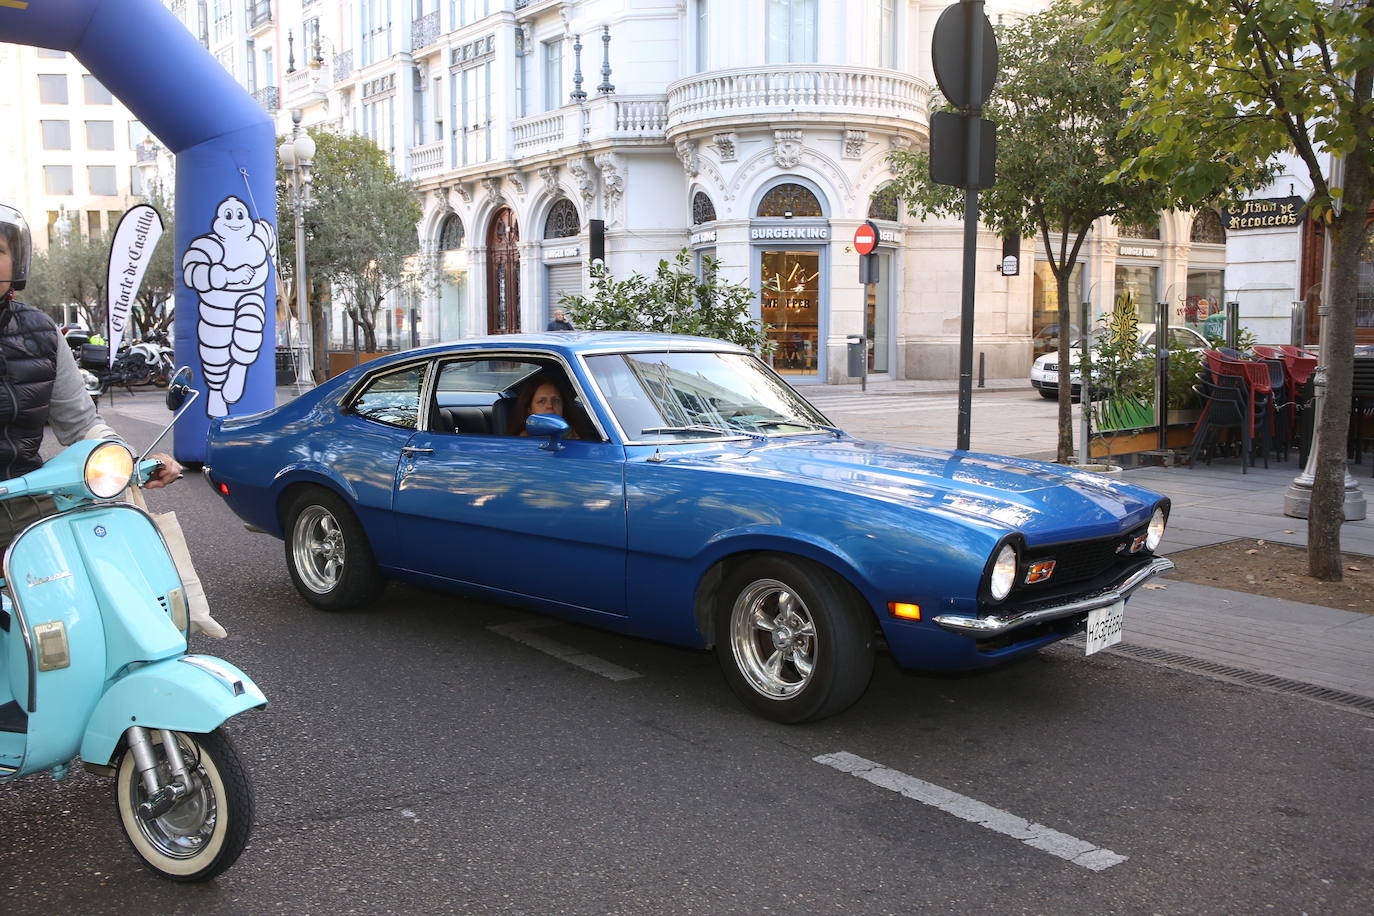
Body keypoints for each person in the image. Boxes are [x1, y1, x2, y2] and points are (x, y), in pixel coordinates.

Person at [0, 203, 181, 549]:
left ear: (16, 262)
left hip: (24, 509)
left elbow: (81, 425)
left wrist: (129, 458)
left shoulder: (43, 334)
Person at [505, 371, 581, 439]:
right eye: (542, 401)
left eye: (555, 400)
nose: (550, 406)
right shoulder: (521, 442)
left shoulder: (578, 436)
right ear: (530, 409)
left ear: (563, 406)